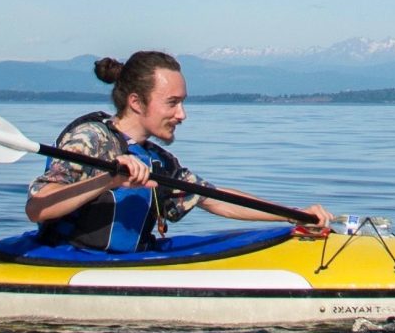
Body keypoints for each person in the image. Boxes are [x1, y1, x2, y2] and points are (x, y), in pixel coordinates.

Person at [25, 50, 333, 252]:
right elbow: (37, 208)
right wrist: (108, 180)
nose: (182, 114)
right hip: (65, 263)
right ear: (136, 102)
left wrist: (293, 216)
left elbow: (215, 201)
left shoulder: (158, 160)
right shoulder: (89, 139)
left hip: (124, 266)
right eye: (173, 103)